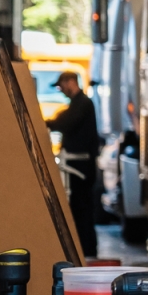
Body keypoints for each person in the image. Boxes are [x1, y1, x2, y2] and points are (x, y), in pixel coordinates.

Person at [51, 70, 100, 258]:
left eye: (61, 85)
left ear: (70, 82)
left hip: (81, 168)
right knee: (81, 210)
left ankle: (86, 250)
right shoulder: (78, 104)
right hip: (78, 166)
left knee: (82, 210)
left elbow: (66, 122)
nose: (61, 90)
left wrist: (48, 123)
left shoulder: (83, 104)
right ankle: (84, 249)